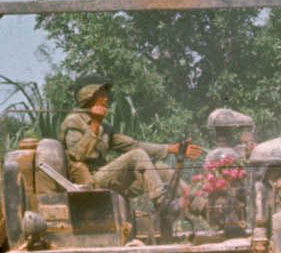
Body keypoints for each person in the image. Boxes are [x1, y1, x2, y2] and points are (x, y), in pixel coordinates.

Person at [59, 78, 199, 206]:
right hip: (88, 185)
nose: (106, 99)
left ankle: (200, 204)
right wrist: (95, 123)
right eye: (101, 95)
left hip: (106, 179)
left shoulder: (104, 127)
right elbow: (78, 155)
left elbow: (134, 145)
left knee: (158, 167)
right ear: (88, 96)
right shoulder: (73, 121)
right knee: (137, 155)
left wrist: (171, 149)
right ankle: (162, 203)